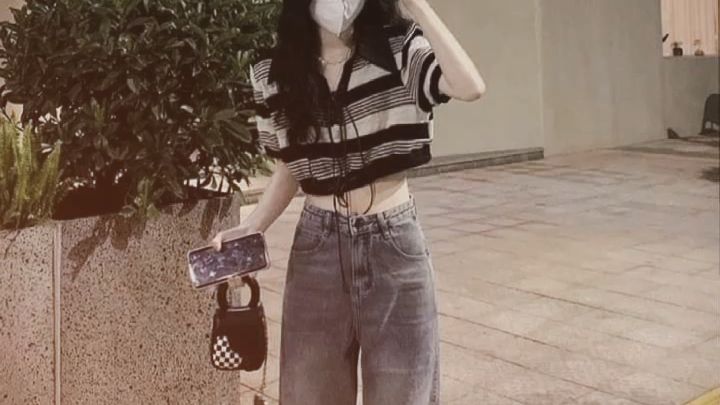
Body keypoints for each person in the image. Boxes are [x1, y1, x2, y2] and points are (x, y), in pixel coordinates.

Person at [211, 0, 484, 403]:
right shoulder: (273, 71)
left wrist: (416, 5)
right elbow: (291, 166)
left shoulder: (400, 49)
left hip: (395, 244)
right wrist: (252, 227)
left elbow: (469, 86)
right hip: (318, 250)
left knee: (405, 394)